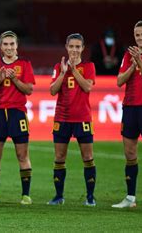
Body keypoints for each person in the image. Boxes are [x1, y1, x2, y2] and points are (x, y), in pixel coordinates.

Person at [0, 31, 34, 205]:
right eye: (5, 44)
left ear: (17, 45)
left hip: (17, 113)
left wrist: (14, 79)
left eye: (12, 44)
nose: (9, 47)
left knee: (22, 154)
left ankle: (26, 195)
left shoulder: (24, 64)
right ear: (1, 46)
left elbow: (28, 90)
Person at [48, 33, 97, 206]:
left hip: (82, 118)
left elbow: (87, 86)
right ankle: (58, 196)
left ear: (83, 48)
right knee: (59, 157)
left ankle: (90, 197)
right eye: (71, 46)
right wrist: (63, 72)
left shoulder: (89, 66)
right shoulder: (58, 66)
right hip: (62, 118)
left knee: (88, 156)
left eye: (78, 47)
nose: (74, 50)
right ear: (66, 47)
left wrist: (74, 70)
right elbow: (53, 91)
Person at [112, 20, 142, 208]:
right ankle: (130, 198)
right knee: (130, 153)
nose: (140, 38)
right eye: (137, 35)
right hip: (129, 107)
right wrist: (132, 64)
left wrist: (139, 61)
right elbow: (119, 81)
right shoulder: (128, 55)